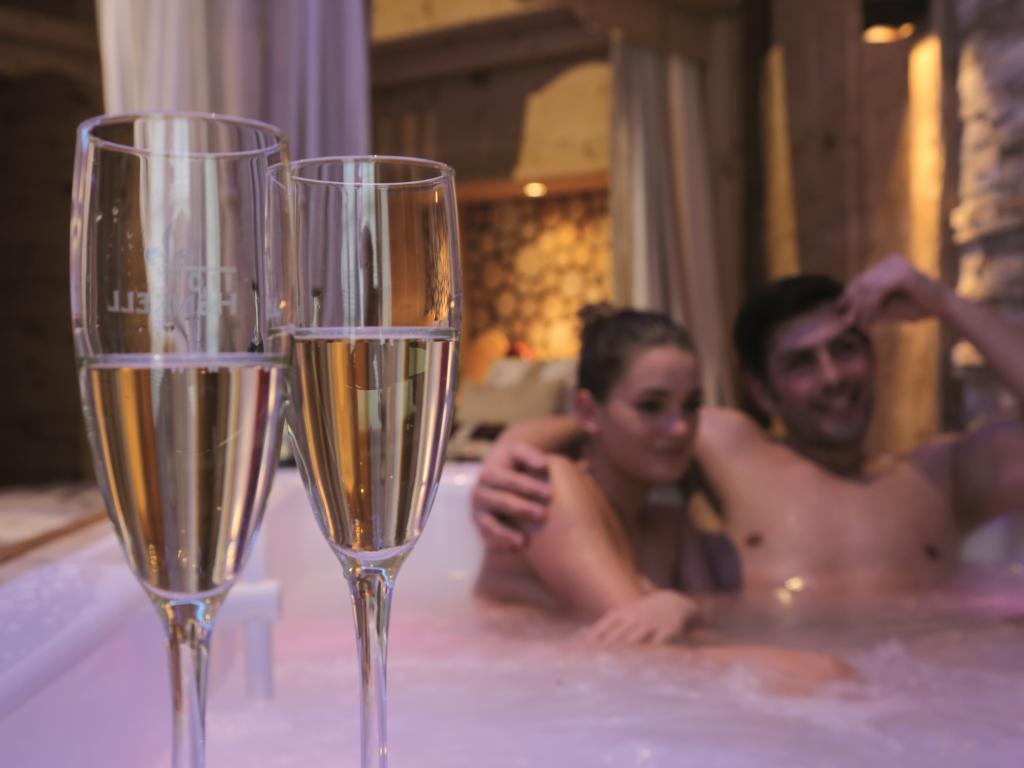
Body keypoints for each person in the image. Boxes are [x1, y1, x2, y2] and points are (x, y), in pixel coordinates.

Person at [472, 255, 1024, 594]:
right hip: (770, 700)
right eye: (802, 363)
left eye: (846, 349)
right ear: (762, 391)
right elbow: (621, 422)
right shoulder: (730, 447)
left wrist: (944, 302)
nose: (833, 376)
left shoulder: (940, 476)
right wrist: (511, 453)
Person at [476, 306, 708, 645]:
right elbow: (642, 649)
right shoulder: (550, 488)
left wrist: (685, 607)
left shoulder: (669, 526)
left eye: (691, 405)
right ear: (587, 411)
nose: (680, 428)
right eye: (650, 406)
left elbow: (713, 632)